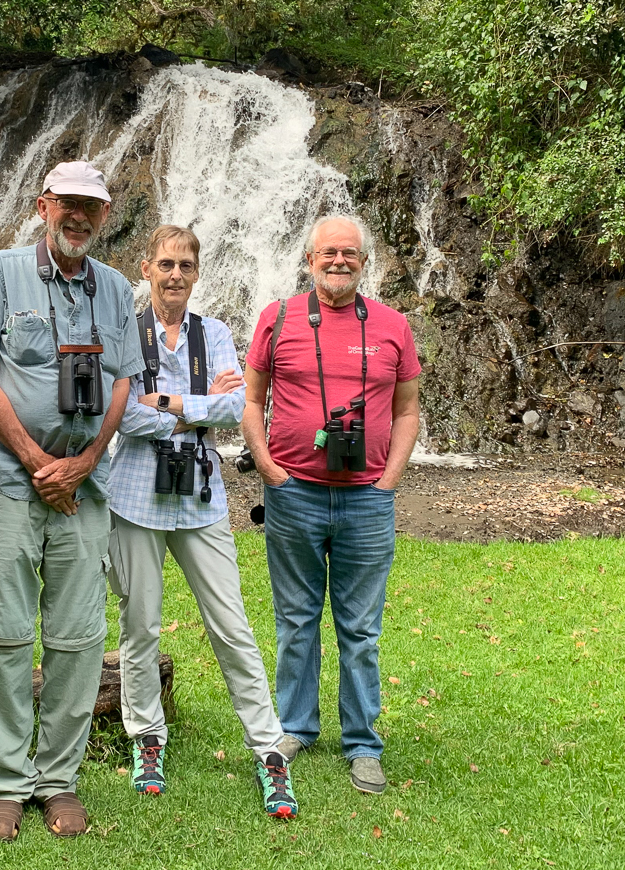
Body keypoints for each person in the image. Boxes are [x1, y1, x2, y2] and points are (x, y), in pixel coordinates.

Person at [0, 160, 142, 842]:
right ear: (43, 205)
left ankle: (58, 777)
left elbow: (120, 384)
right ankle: (2, 778)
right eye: (69, 203)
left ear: (106, 215)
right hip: (8, 480)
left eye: (93, 206)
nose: (79, 216)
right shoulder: (0, 274)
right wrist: (36, 461)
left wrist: (83, 463)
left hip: (85, 490)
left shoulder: (116, 290)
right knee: (1, 627)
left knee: (79, 635)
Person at [107, 225, 298, 818]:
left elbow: (232, 408)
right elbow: (121, 420)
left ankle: (269, 752)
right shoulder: (124, 333)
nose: (175, 274)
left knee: (232, 626)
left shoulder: (212, 332)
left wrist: (162, 402)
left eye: (185, 264)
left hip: (201, 499)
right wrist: (192, 407)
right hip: (133, 500)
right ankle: (147, 741)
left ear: (196, 272)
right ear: (146, 268)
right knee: (140, 628)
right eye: (165, 263)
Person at [240, 214, 421, 795]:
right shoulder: (279, 318)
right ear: (309, 259)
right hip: (293, 495)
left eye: (349, 253)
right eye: (328, 253)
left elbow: (408, 411)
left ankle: (363, 744)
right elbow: (251, 401)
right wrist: (269, 469)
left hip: (367, 502)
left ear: (364, 262)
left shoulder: (394, 326)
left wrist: (388, 481)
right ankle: (295, 727)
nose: (338, 261)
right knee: (295, 620)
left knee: (360, 630)